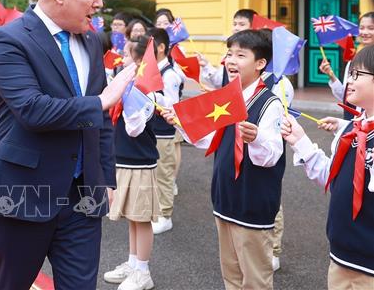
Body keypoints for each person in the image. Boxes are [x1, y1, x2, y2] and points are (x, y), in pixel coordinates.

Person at [0, 0, 136, 289]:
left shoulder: (91, 39)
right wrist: (101, 101)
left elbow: (100, 122)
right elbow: (32, 109)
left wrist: (106, 178)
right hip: (24, 194)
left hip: (83, 198)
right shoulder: (9, 39)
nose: (99, 3)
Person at [162, 29, 285, 290]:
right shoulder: (228, 96)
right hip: (225, 198)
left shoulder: (270, 103)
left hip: (252, 204)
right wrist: (180, 123)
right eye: (229, 54)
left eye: (240, 55)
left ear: (260, 63)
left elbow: (272, 155)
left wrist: (256, 138)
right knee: (231, 275)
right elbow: (209, 139)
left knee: (255, 280)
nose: (231, 60)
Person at [281, 45, 374, 289]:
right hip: (341, 255)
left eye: (357, 74)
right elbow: (333, 180)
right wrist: (300, 141)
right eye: (349, 73)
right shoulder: (352, 129)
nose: (348, 80)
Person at [104, 36, 159, 290]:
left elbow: (134, 129)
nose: (121, 58)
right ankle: (133, 263)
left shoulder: (145, 90)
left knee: (141, 217)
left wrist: (127, 96)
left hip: (140, 163)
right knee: (131, 216)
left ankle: (143, 272)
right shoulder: (129, 86)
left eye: (126, 55)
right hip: (124, 160)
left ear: (139, 62)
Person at [147, 28, 183, 236]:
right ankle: (158, 212)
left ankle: (165, 216)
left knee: (164, 174)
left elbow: (172, 106)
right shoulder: (153, 71)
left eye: (149, 45)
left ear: (161, 47)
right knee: (155, 173)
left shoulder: (169, 75)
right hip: (153, 130)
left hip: (164, 132)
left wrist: (153, 98)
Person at [319, 12, 374, 119]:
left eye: (371, 28)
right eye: (361, 28)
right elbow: (346, 96)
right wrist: (331, 76)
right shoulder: (353, 62)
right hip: (354, 124)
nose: (364, 32)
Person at [199, 9, 258, 88]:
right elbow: (222, 81)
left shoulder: (258, 53)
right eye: (234, 24)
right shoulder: (227, 54)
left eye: (242, 24)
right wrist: (206, 66)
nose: (236, 28)